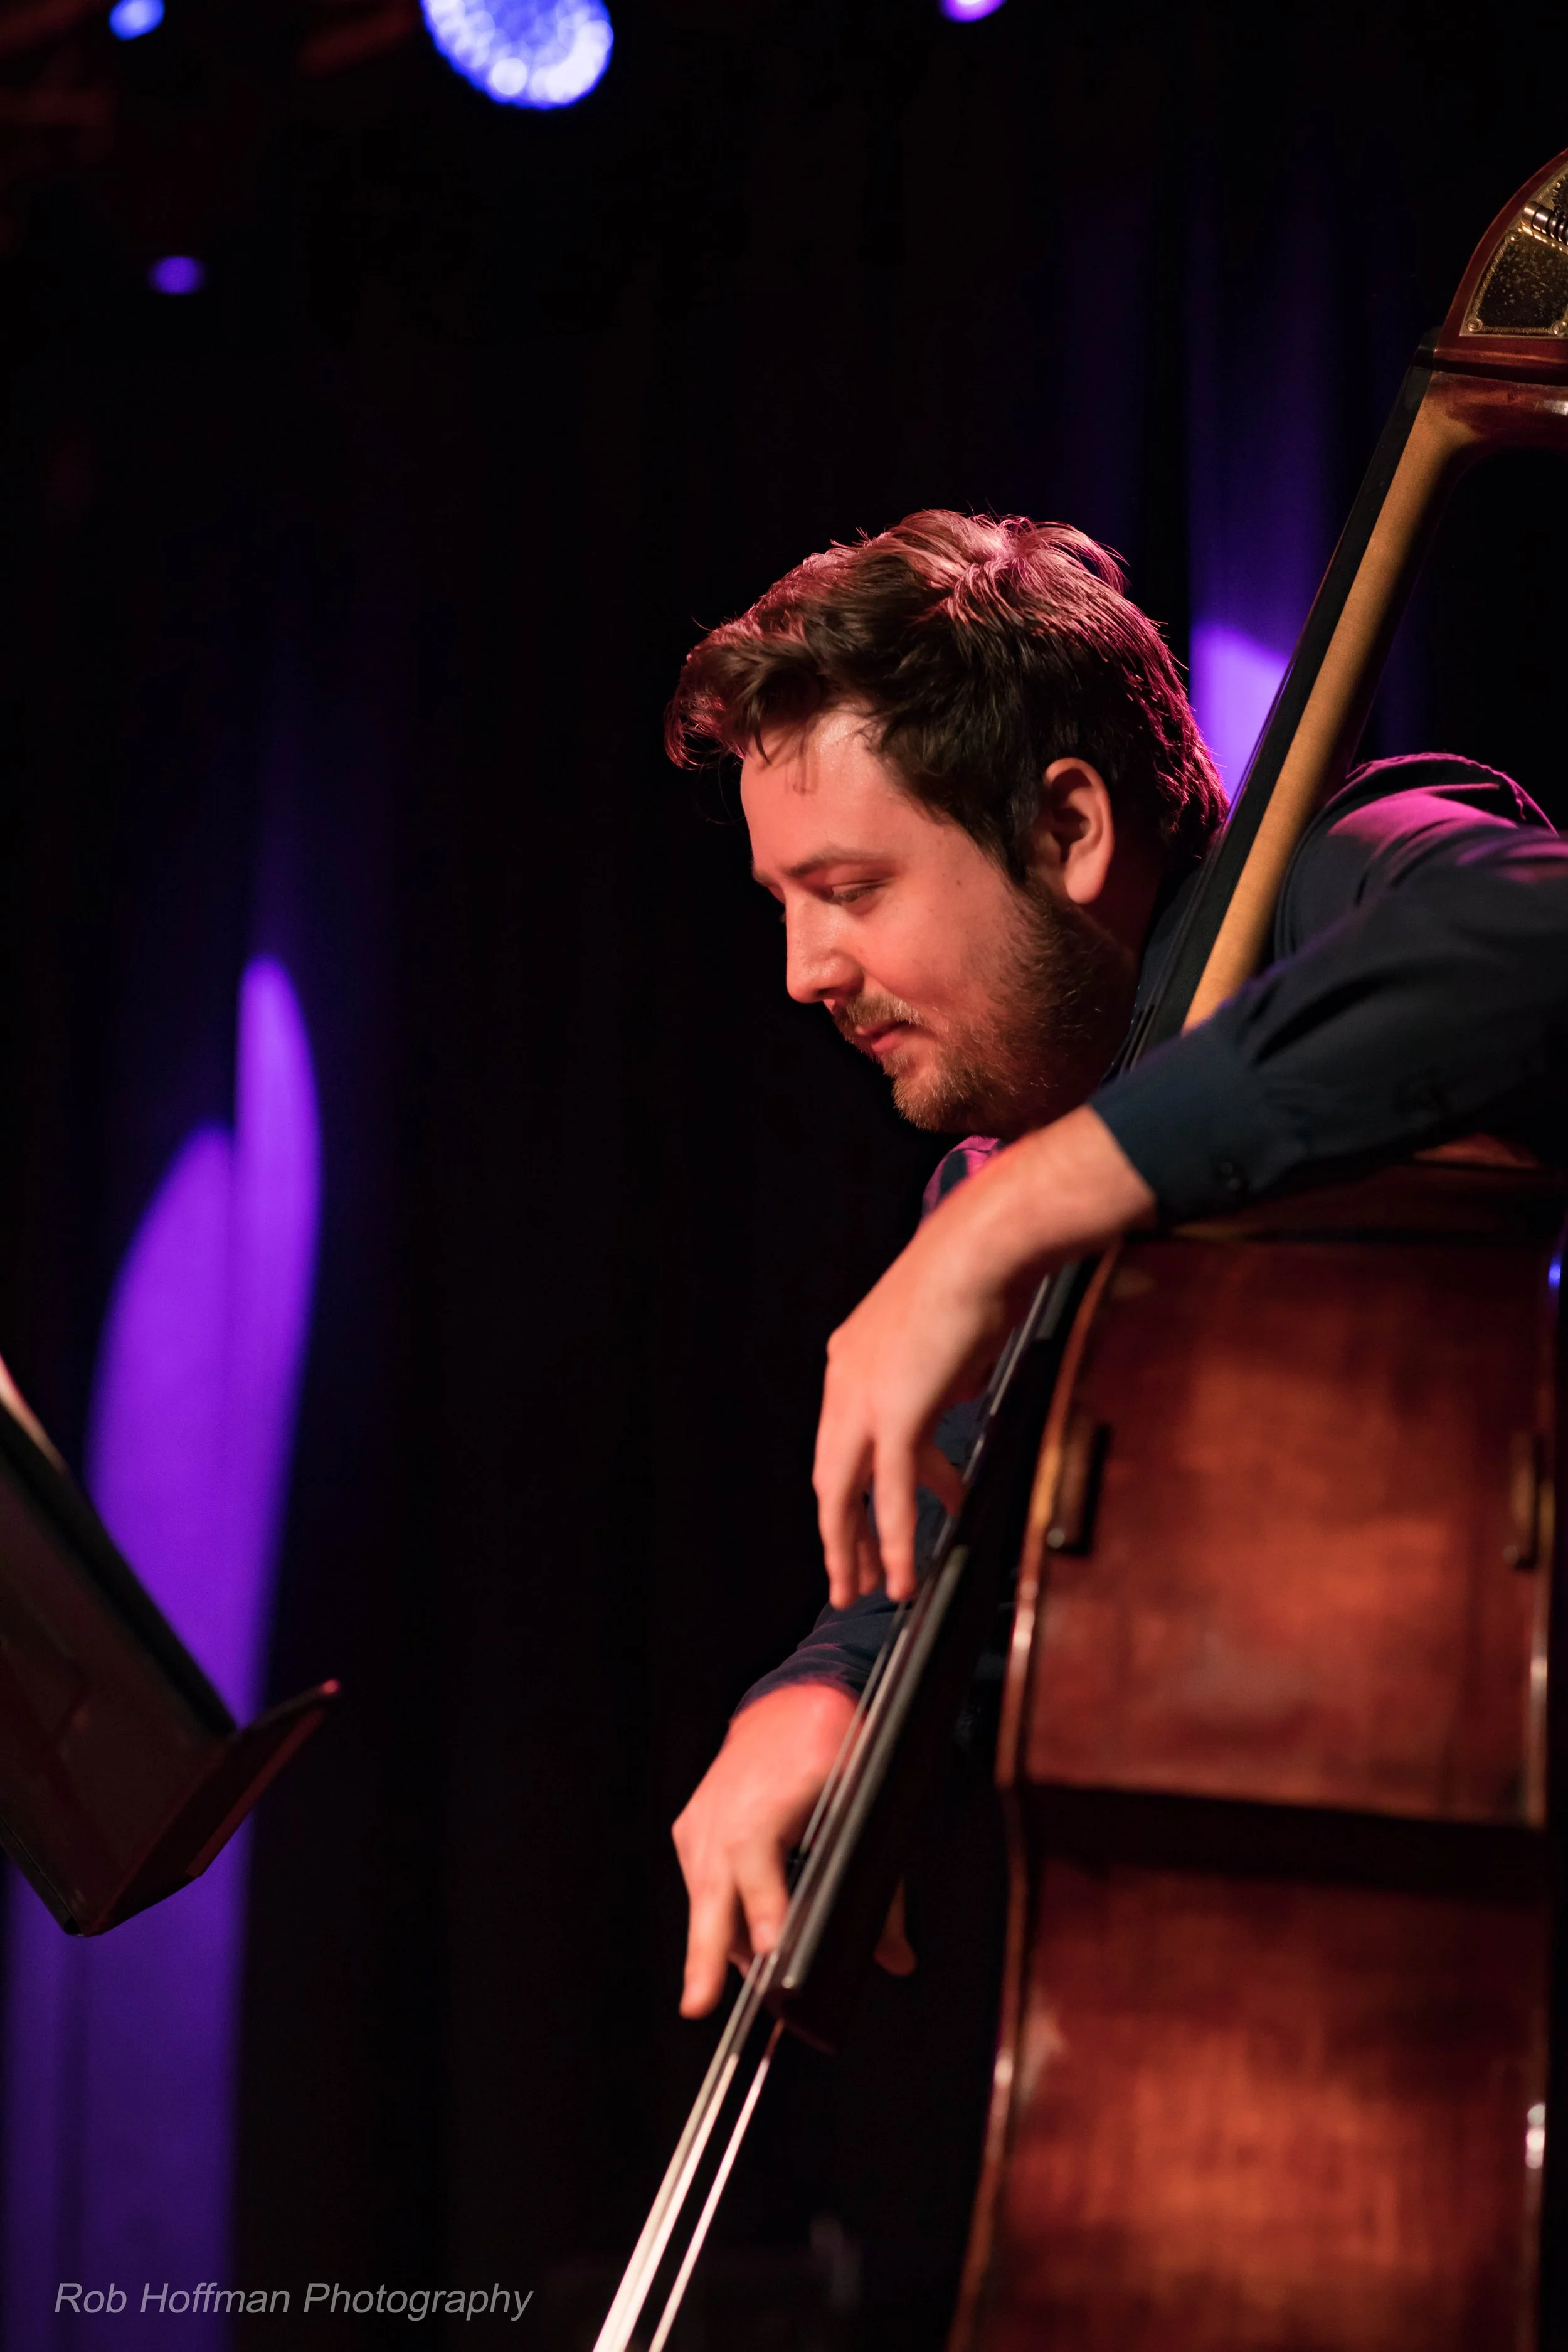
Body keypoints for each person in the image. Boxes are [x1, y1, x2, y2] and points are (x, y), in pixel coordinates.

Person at [663, 508, 1568, 2021]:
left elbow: (1535, 939)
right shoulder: (1000, 1168)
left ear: (1068, 830)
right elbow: (939, 1548)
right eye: (784, 906)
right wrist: (825, 1687)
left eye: (851, 890)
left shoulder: (1339, 878)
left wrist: (1019, 1215)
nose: (802, 972)